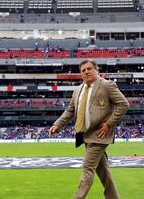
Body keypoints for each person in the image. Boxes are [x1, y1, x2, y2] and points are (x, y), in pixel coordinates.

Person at [49, 59, 129, 199]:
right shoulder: (78, 90)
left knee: (87, 169)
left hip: (99, 134)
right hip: (85, 134)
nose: (86, 72)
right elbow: (70, 110)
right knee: (103, 171)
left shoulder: (106, 85)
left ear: (96, 70)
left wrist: (109, 124)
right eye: (83, 70)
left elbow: (123, 104)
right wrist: (57, 125)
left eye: (89, 68)